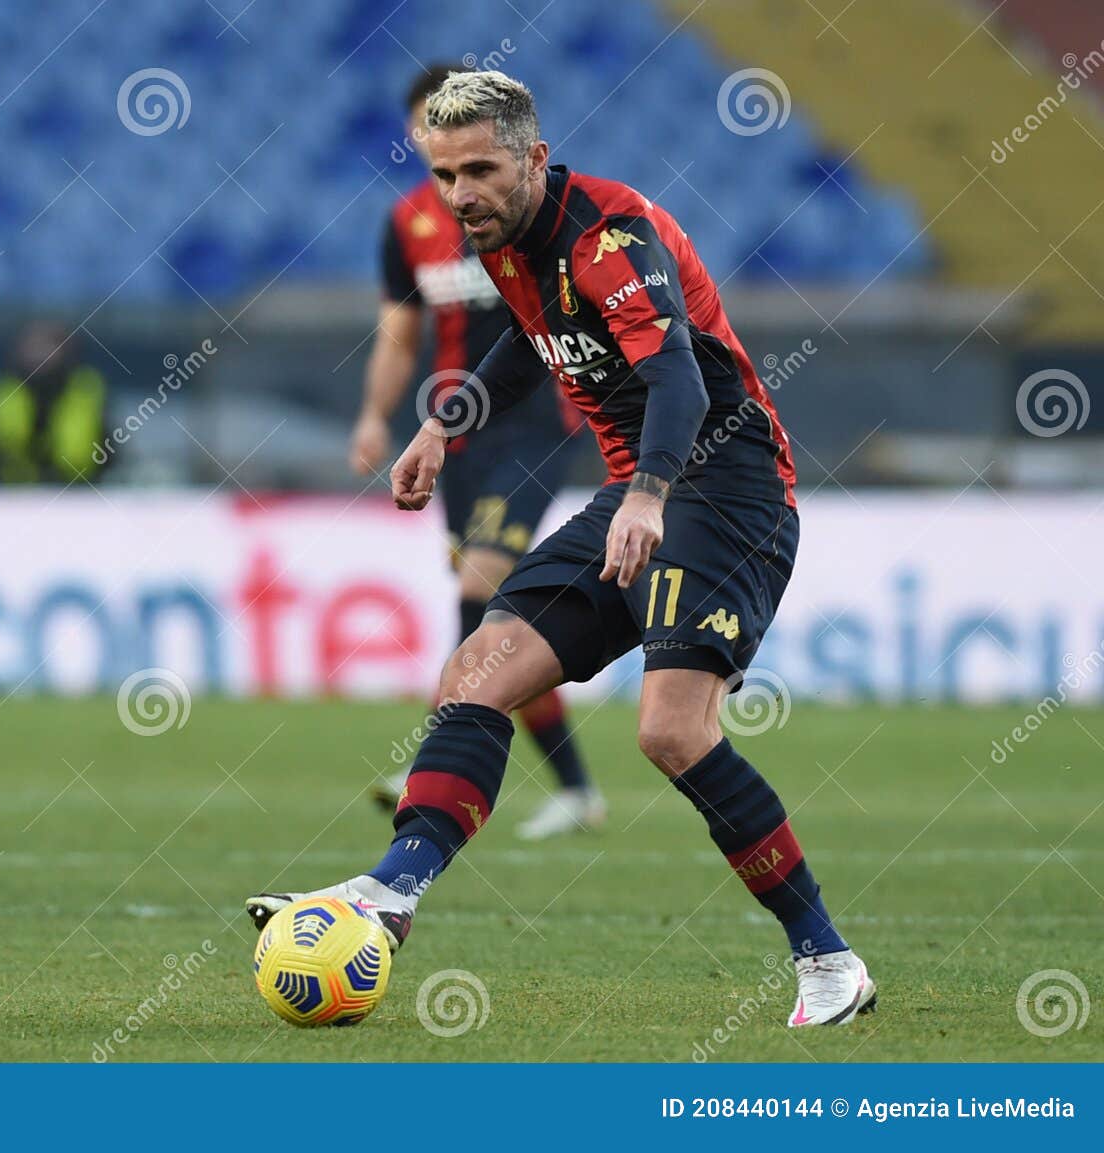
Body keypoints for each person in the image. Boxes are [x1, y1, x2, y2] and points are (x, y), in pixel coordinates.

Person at [247, 71, 874, 1027]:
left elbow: (675, 375)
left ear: (535, 158)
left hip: (726, 487)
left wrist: (650, 495)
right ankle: (389, 891)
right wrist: (438, 428)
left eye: (482, 170)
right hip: (642, 492)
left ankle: (827, 956)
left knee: (670, 730)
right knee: (478, 669)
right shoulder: (506, 241)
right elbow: (520, 344)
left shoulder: (608, 238)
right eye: (446, 174)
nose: (462, 195)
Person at [355, 64, 604, 840]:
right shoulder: (408, 226)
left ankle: (439, 748)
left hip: (534, 423)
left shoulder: (522, 212)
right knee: (497, 614)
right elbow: (400, 332)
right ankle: (577, 788)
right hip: (453, 431)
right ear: (416, 135)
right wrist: (374, 415)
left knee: (483, 579)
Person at [0, 321, 107, 484]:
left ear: (66, 351)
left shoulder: (86, 389)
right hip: (11, 495)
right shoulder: (5, 391)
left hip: (78, 494)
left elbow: (101, 449)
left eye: (48, 345)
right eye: (33, 347)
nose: (39, 354)